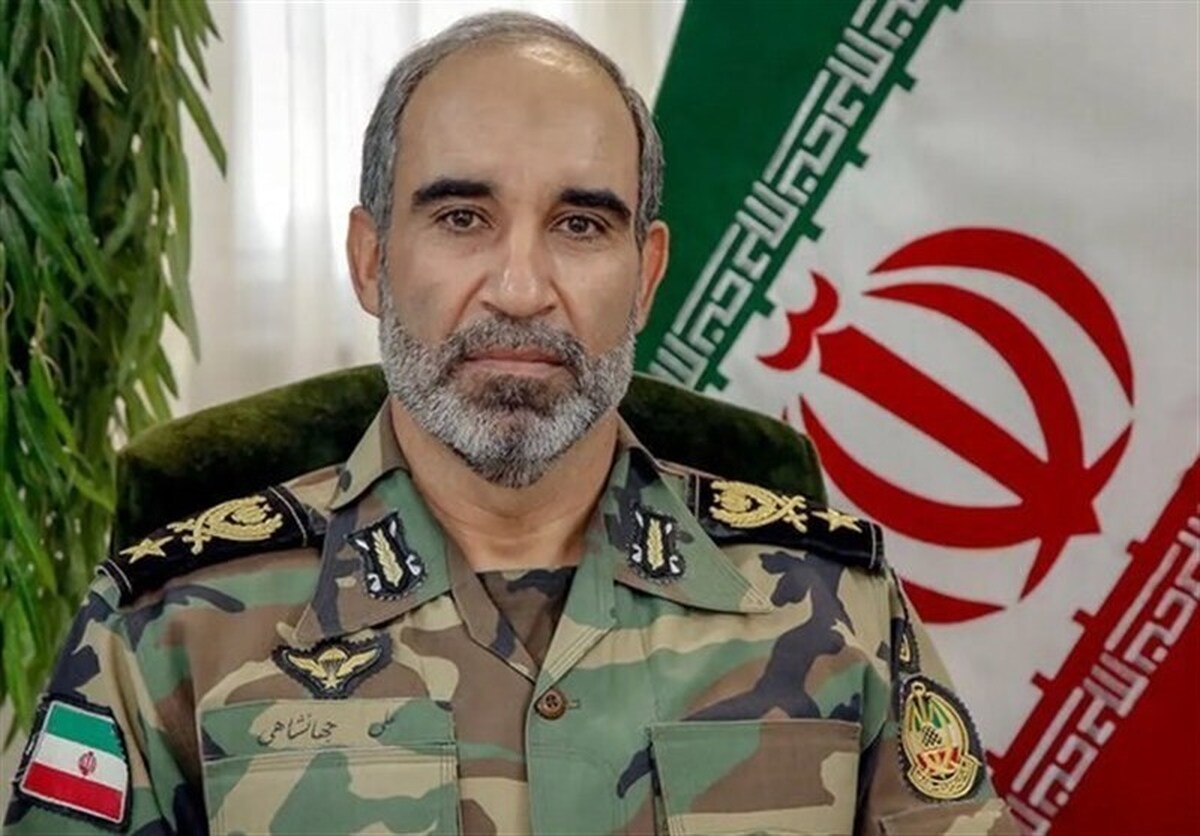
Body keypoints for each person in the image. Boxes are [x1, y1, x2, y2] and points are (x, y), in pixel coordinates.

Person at [5, 11, 1019, 836]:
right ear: (371, 260)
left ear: (645, 276)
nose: (523, 288)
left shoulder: (838, 607)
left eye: (580, 225)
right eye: (462, 218)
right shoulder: (170, 626)